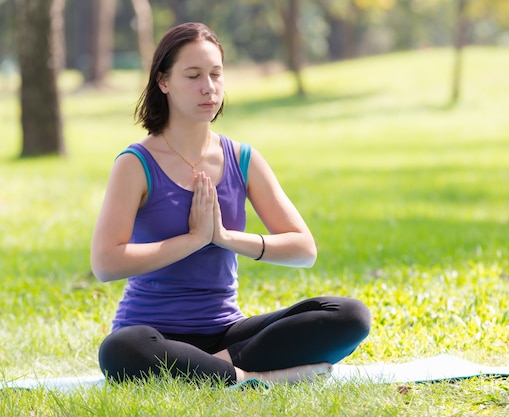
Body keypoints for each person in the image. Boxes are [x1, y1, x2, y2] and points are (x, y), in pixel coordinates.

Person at [91, 22, 371, 386]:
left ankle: (224, 372)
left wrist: (224, 237)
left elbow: (304, 250)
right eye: (193, 75)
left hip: (228, 334)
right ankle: (257, 377)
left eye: (216, 74)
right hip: (152, 337)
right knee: (120, 349)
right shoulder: (135, 164)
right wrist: (192, 240)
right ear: (163, 81)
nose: (208, 87)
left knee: (349, 315)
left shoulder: (242, 159)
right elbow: (105, 263)